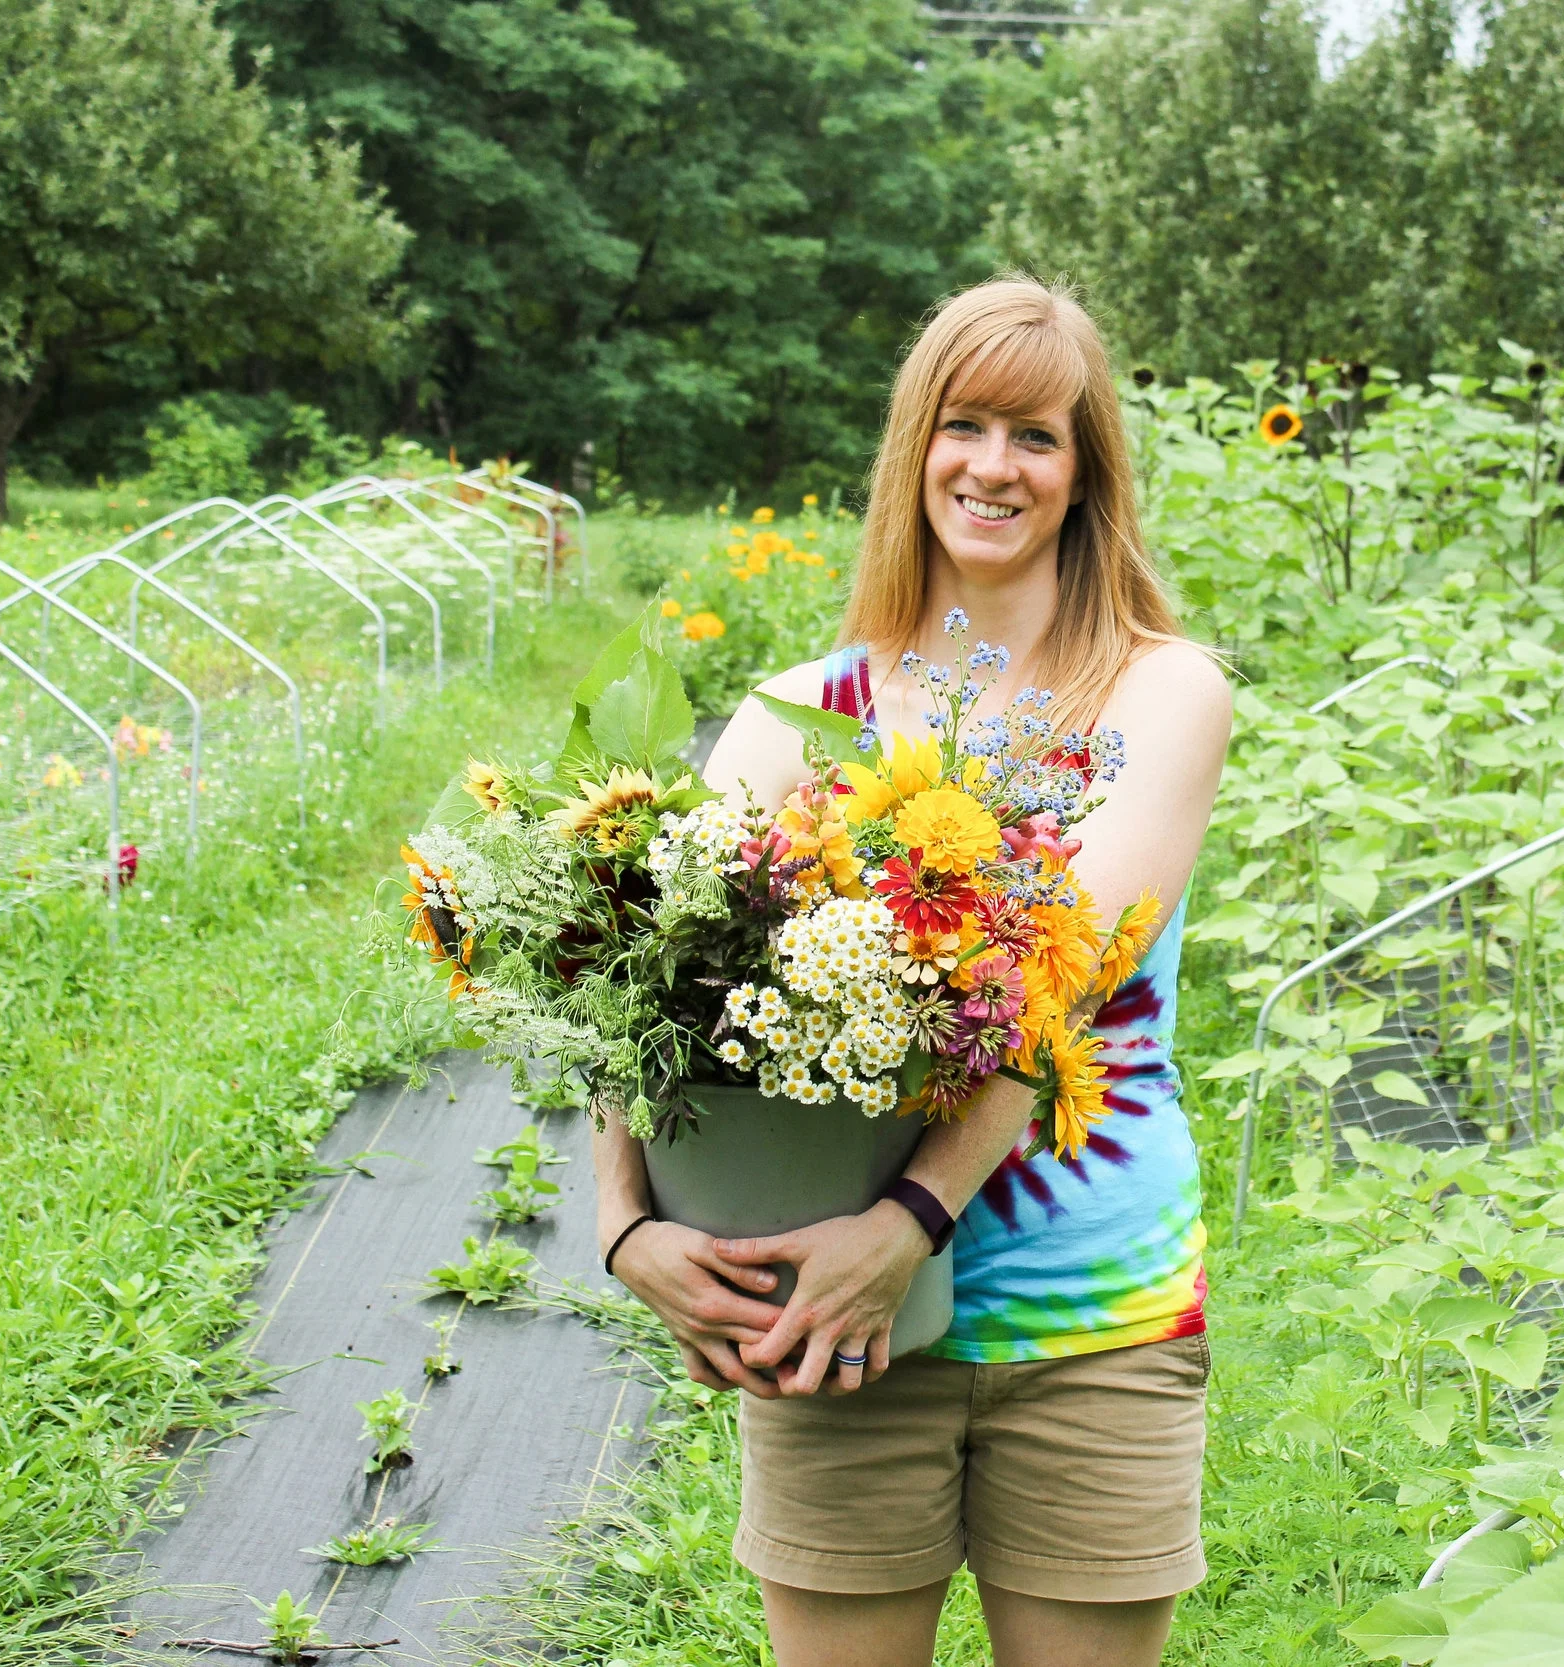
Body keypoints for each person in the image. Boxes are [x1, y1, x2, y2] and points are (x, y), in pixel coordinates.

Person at [594, 275, 1232, 1667]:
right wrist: (624, 1222)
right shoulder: (803, 712)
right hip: (830, 1317)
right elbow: (637, 977)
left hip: (1089, 1314)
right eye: (964, 424)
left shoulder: (1159, 691)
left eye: (1037, 437)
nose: (994, 465)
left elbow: (1049, 980)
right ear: (914, 447)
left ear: (1085, 476)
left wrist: (913, 1224)